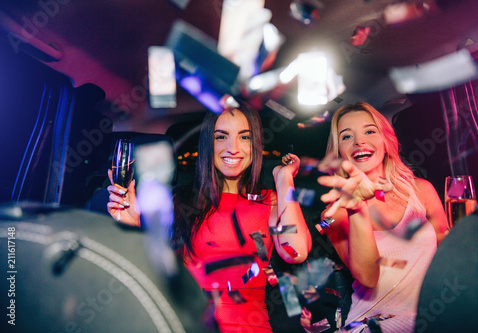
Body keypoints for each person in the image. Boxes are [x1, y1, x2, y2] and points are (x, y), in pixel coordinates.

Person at [107, 101, 312, 332]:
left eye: (244, 137)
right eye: (221, 137)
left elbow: (295, 251)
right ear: (208, 144)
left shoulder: (269, 201)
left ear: (254, 144)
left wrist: (284, 179)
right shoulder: (179, 202)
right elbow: (153, 278)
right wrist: (132, 225)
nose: (233, 148)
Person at [316, 102, 448, 333]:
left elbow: (450, 255)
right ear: (339, 153)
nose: (359, 142)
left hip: (431, 319)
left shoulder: (421, 190)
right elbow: (368, 277)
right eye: (347, 137)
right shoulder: (335, 212)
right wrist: (357, 208)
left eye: (370, 131)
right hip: (372, 324)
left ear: (386, 143)